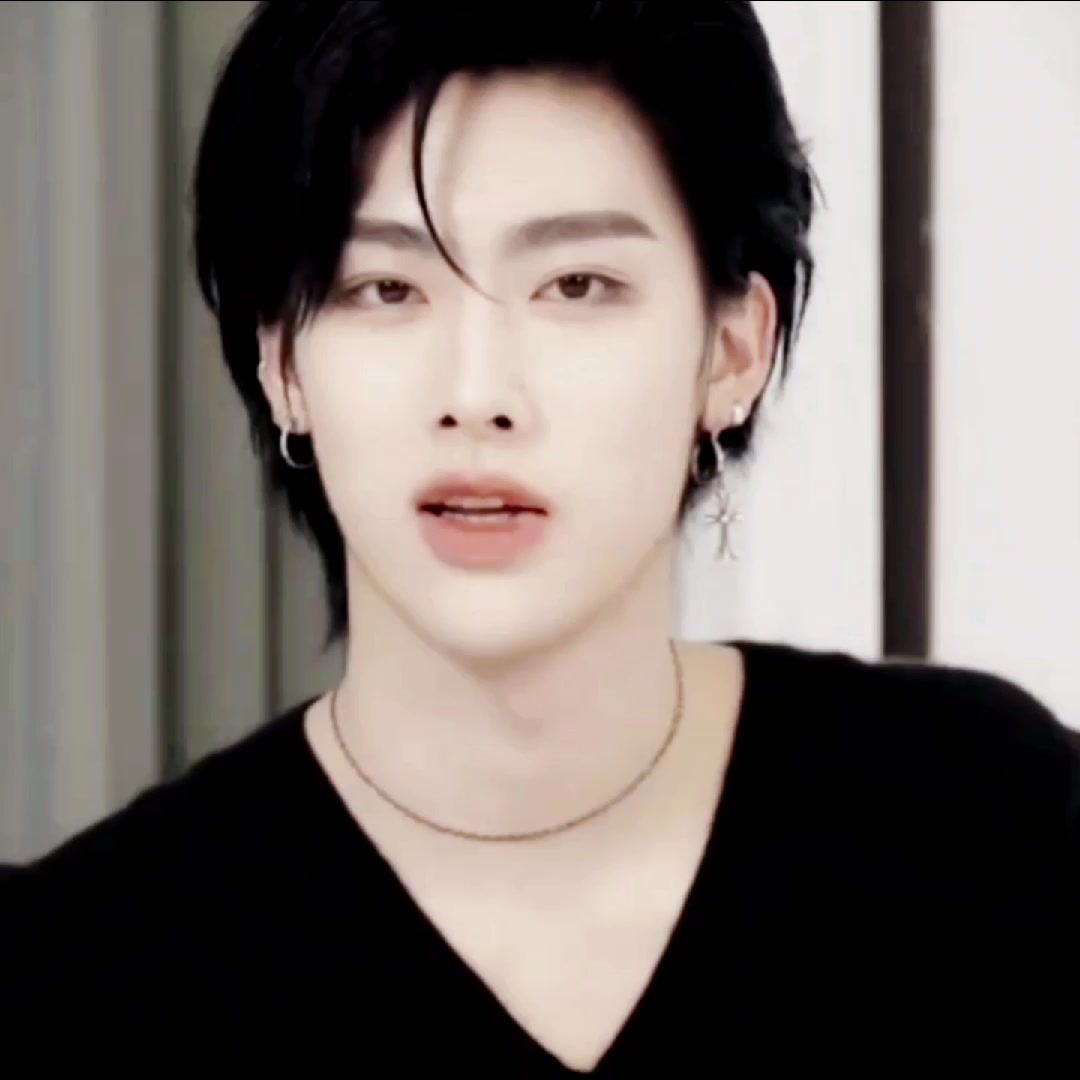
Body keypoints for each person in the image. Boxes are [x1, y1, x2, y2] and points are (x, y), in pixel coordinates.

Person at [2, 1, 1078, 1071]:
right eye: (386, 289)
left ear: (733, 351)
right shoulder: (75, 977)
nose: (478, 394)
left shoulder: (998, 824)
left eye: (577, 285)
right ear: (282, 363)